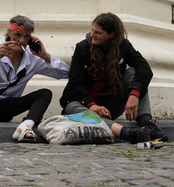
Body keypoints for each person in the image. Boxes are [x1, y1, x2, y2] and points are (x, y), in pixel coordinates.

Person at [60, 13, 168, 143]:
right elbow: (75, 82)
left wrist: (134, 94)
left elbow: (144, 69)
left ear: (111, 35)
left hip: (109, 106)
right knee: (71, 107)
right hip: (84, 106)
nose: (92, 34)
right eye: (92, 30)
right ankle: (128, 133)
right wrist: (91, 105)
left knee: (134, 73)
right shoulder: (82, 48)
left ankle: (146, 124)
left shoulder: (123, 46)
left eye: (98, 32)